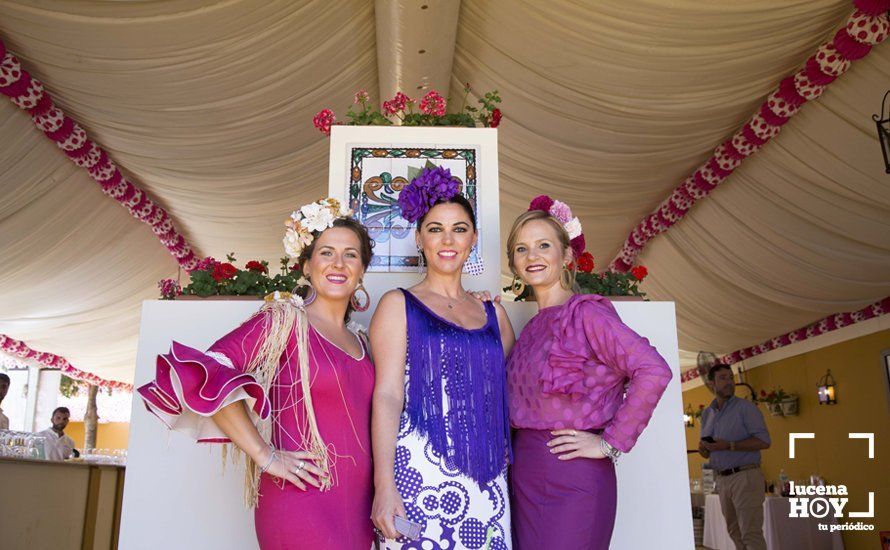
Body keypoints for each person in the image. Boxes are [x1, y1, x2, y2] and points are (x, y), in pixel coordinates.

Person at [138, 198, 376, 550]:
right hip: (300, 500)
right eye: (326, 253)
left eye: (350, 254)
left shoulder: (363, 341)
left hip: (358, 508)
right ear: (307, 266)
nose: (338, 263)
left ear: (361, 270)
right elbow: (206, 375)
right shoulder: (281, 321)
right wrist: (266, 456)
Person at [500, 196, 672, 549]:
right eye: (522, 248)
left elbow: (653, 370)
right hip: (525, 473)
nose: (532, 256)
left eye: (543, 245)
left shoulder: (588, 314)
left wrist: (610, 443)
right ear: (514, 263)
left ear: (565, 256)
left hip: (574, 477)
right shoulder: (531, 327)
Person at [370, 166, 515, 549]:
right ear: (419, 238)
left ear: (474, 238)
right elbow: (386, 395)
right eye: (435, 228)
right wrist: (384, 486)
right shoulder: (397, 304)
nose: (447, 239)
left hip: (487, 478)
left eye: (459, 228)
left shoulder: (494, 315)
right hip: (417, 476)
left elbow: (511, 390)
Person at [699, 363, 770, 550]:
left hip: (745, 476)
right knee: (734, 532)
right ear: (711, 383)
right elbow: (707, 448)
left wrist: (730, 445)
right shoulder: (707, 414)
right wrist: (704, 448)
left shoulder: (746, 408)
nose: (729, 382)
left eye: (731, 377)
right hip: (722, 479)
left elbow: (764, 441)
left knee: (751, 534)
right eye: (723, 378)